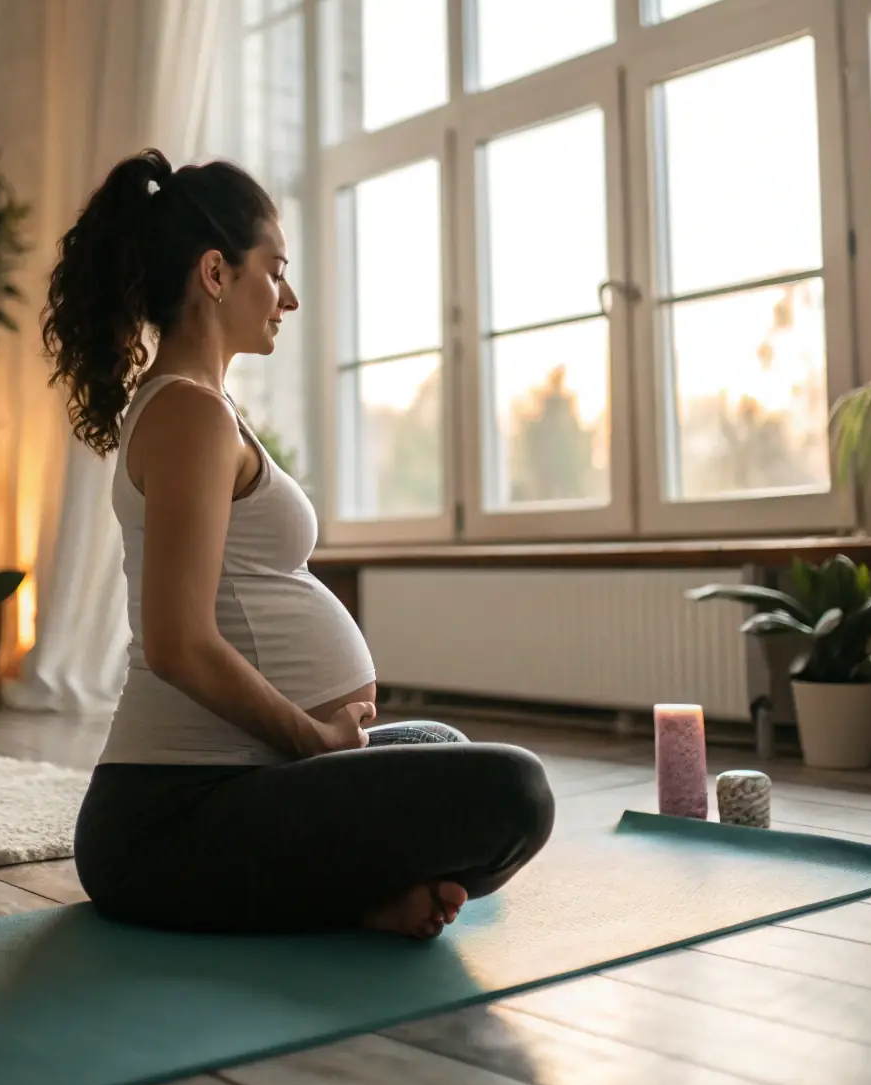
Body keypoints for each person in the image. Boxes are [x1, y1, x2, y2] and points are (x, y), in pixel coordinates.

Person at [42, 149, 555, 938]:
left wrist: (319, 747)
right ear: (216, 272)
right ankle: (357, 896)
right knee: (515, 794)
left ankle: (357, 891)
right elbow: (177, 642)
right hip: (169, 818)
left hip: (241, 781)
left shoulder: (204, 409)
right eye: (273, 269)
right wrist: (313, 738)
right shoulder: (189, 416)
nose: (289, 295)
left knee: (436, 744)